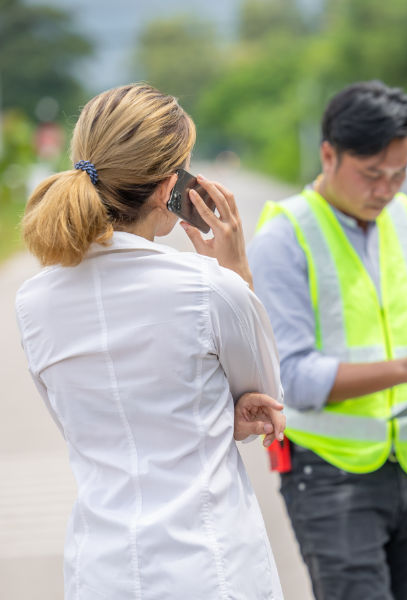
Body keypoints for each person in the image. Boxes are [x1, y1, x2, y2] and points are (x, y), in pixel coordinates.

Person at [15, 83, 286, 599]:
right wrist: (236, 270)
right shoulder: (210, 288)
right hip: (210, 569)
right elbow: (267, 400)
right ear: (169, 188)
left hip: (100, 572)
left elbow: (87, 421)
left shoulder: (33, 303)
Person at [247, 80, 407, 600]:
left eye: (399, 174)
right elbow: (292, 378)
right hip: (330, 478)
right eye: (371, 175)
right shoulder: (284, 236)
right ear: (328, 154)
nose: (386, 189)